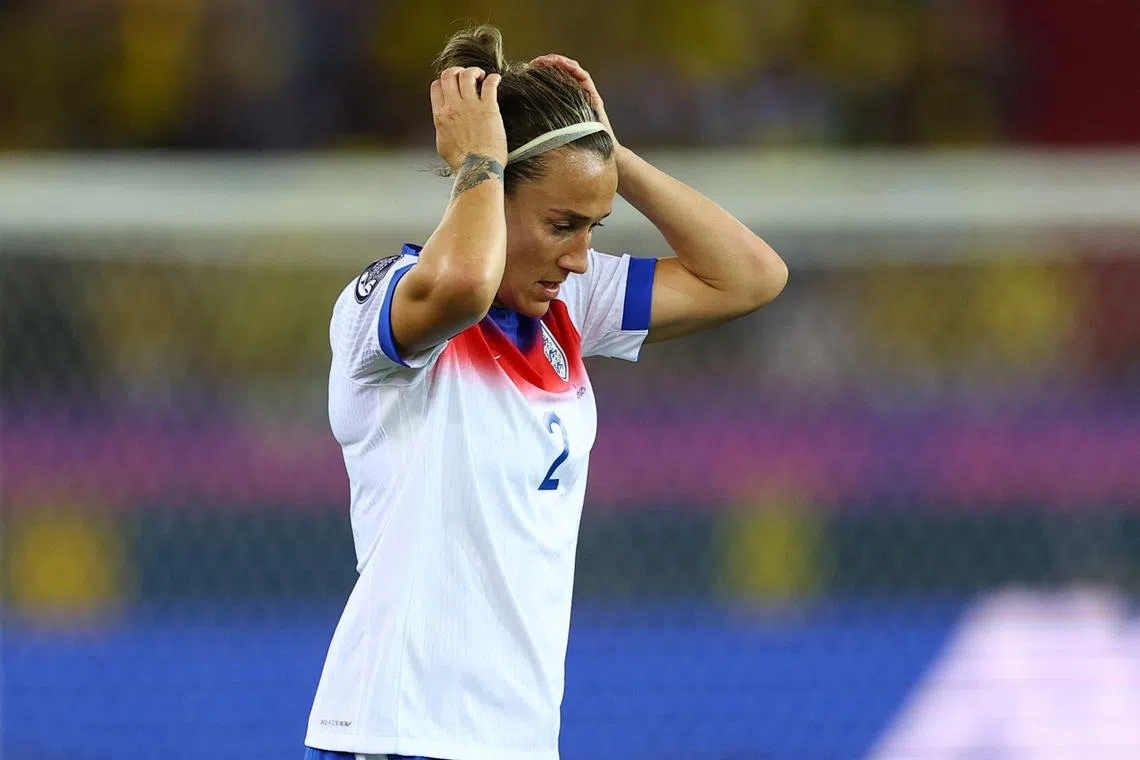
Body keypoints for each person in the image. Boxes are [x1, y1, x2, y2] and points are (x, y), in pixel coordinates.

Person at [304, 24, 788, 760]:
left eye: (594, 226)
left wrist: (605, 154)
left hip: (516, 740)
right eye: (562, 224)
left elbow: (750, 276)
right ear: (491, 190)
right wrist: (480, 161)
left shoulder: (564, 309)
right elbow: (464, 283)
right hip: (398, 732)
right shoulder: (386, 311)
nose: (581, 255)